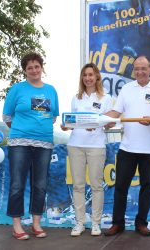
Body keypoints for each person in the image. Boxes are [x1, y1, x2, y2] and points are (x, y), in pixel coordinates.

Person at [104, 55, 150, 237]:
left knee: (147, 186)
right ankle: (117, 223)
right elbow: (115, 112)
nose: (140, 72)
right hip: (127, 148)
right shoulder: (126, 89)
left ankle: (141, 223)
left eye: (143, 68)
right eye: (137, 69)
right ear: (133, 70)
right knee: (120, 186)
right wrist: (99, 120)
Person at [3, 52, 59, 240]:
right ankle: (17, 225)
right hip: (20, 143)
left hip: (44, 144)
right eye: (30, 68)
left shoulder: (51, 90)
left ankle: (36, 223)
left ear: (42, 67)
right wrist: (24, 132)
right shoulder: (17, 89)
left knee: (40, 185)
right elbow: (7, 117)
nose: (34, 70)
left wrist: (38, 130)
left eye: (37, 66)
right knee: (18, 184)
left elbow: (53, 117)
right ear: (25, 71)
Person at [61, 63, 113, 236]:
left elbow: (109, 123)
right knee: (78, 186)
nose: (88, 78)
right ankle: (80, 222)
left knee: (97, 186)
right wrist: (66, 125)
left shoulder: (106, 97)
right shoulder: (76, 98)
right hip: (75, 144)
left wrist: (101, 123)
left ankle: (96, 223)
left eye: (91, 74)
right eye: (85, 75)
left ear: (97, 76)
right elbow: (72, 121)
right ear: (82, 78)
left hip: (96, 145)